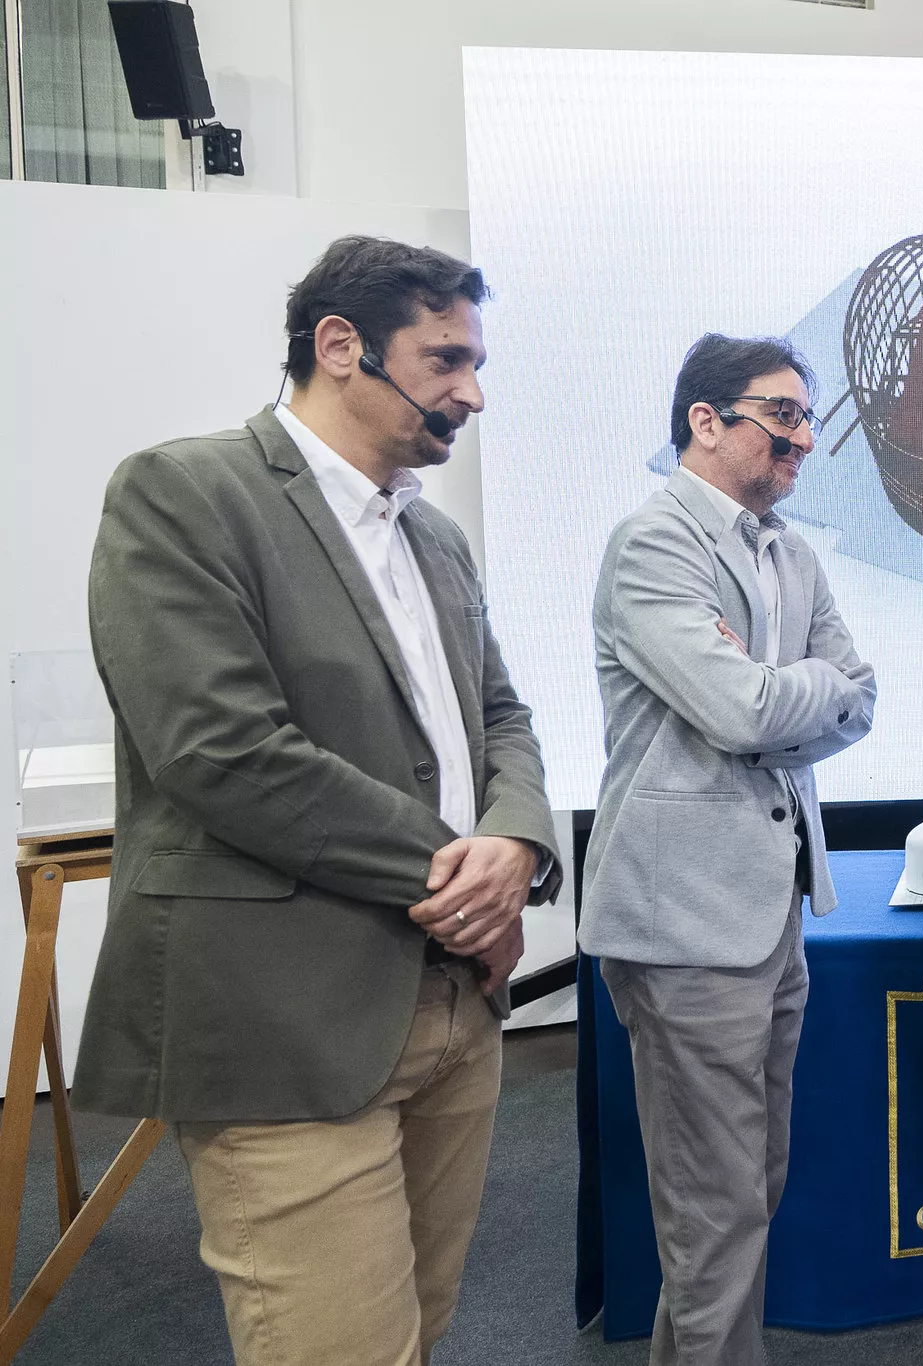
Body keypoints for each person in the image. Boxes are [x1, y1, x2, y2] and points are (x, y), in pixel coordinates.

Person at [74, 235, 562, 1365]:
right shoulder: (185, 491)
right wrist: (463, 874)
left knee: (416, 1331)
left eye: (475, 363)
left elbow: (503, 719)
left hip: (452, 1005)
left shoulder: (432, 534)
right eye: (446, 359)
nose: (471, 393)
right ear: (339, 346)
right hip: (283, 1013)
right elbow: (222, 749)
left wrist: (518, 841)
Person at [579, 333, 876, 1366]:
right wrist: (791, 693)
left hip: (770, 909)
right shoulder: (654, 541)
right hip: (684, 921)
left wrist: (778, 691)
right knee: (714, 1213)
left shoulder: (790, 549)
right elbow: (736, 705)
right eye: (781, 415)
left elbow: (860, 694)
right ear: (704, 422)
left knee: (748, 1190)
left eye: (806, 419)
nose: (803, 438)